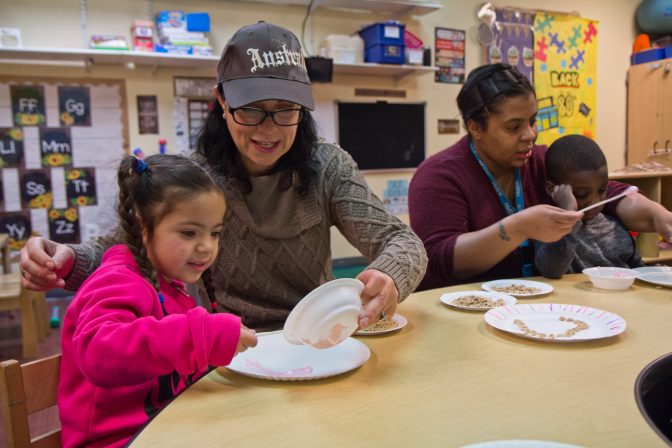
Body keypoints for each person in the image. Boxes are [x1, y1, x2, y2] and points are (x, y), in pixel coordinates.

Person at [19, 21, 427, 332]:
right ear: (222, 100)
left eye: (285, 110)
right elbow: (116, 251)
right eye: (250, 109)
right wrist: (66, 258)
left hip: (321, 334)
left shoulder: (327, 166)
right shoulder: (194, 176)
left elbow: (402, 241)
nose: (268, 130)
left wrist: (390, 275)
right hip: (229, 344)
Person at [408, 63, 672, 289]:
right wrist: (519, 227)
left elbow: (607, 193)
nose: (530, 135)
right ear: (475, 127)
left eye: (532, 121)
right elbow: (442, 259)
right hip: (467, 310)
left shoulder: (540, 159)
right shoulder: (437, 176)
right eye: (514, 127)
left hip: (537, 303)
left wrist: (657, 216)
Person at [58, 154, 258, 447]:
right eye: (189, 232)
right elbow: (97, 351)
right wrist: (199, 335)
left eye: (215, 233)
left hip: (169, 427)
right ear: (142, 225)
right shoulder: (117, 279)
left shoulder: (169, 285)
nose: (206, 246)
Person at [534, 135, 642, 278]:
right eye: (581, 194)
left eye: (602, 190)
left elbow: (636, 269)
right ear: (552, 189)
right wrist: (569, 219)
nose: (595, 201)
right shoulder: (546, 230)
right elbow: (551, 271)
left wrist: (651, 273)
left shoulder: (615, 226)